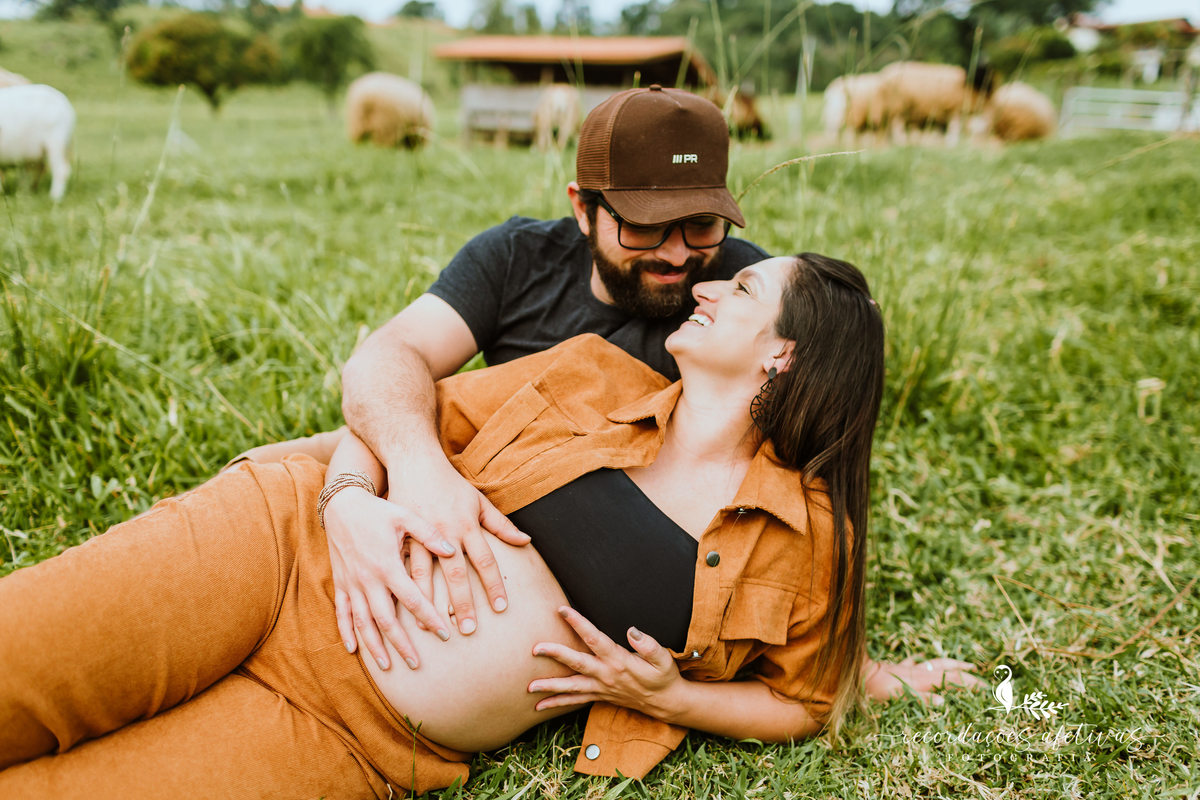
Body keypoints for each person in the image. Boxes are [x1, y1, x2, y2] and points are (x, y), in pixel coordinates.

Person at [0, 254, 972, 798]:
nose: (709, 285)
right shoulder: (590, 375)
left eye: (745, 291)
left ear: (786, 357)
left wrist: (673, 697)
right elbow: (391, 406)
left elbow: (802, 696)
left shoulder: (803, 538)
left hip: (351, 729)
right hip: (280, 547)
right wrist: (346, 503)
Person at [239, 85, 968, 706]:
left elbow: (794, 470)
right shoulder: (517, 258)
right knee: (253, 514)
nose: (680, 255)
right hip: (452, 477)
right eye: (646, 225)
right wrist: (407, 474)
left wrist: (850, 667)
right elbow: (388, 360)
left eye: (702, 224)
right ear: (583, 209)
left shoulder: (732, 300)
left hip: (548, 588)